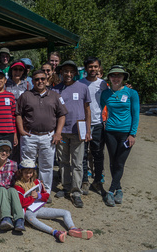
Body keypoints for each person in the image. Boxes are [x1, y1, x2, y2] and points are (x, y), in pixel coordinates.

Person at [16, 70, 68, 196]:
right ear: (32, 81)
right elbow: (18, 114)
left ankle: (44, 192)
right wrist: (21, 130)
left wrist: (58, 133)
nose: (40, 81)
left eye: (42, 79)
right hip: (29, 136)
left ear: (47, 80)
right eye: (37, 79)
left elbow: (62, 115)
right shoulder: (26, 95)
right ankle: (29, 191)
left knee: (46, 167)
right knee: (28, 166)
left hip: (48, 136)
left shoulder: (55, 96)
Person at [15, 159, 93, 243]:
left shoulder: (36, 182)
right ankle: (55, 232)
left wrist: (39, 195)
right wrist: (32, 198)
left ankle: (73, 228)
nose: (28, 175)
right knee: (31, 219)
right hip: (28, 210)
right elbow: (22, 202)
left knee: (66, 212)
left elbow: (46, 196)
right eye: (26, 172)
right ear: (21, 172)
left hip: (39, 207)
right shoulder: (18, 185)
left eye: (30, 172)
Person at [52, 60, 91, 208]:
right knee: (63, 161)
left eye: (71, 71)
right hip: (61, 132)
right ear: (61, 73)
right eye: (65, 71)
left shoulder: (82, 88)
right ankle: (67, 186)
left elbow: (87, 110)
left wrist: (88, 130)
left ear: (75, 73)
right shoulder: (56, 90)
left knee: (77, 162)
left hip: (77, 132)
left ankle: (76, 191)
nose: (68, 74)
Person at [100, 65, 139, 207]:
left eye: (119, 76)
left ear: (123, 78)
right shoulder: (105, 94)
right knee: (112, 161)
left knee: (120, 162)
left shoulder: (131, 93)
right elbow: (97, 108)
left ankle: (110, 191)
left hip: (126, 134)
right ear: (109, 78)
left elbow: (136, 114)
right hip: (110, 131)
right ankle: (119, 189)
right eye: (113, 75)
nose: (116, 78)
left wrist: (132, 134)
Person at [79, 57, 109, 193]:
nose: (93, 69)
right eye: (90, 67)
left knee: (98, 153)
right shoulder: (80, 83)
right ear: (86, 69)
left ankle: (97, 180)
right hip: (83, 123)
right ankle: (84, 180)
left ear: (99, 68)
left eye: (96, 67)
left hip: (97, 123)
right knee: (83, 154)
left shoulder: (103, 84)